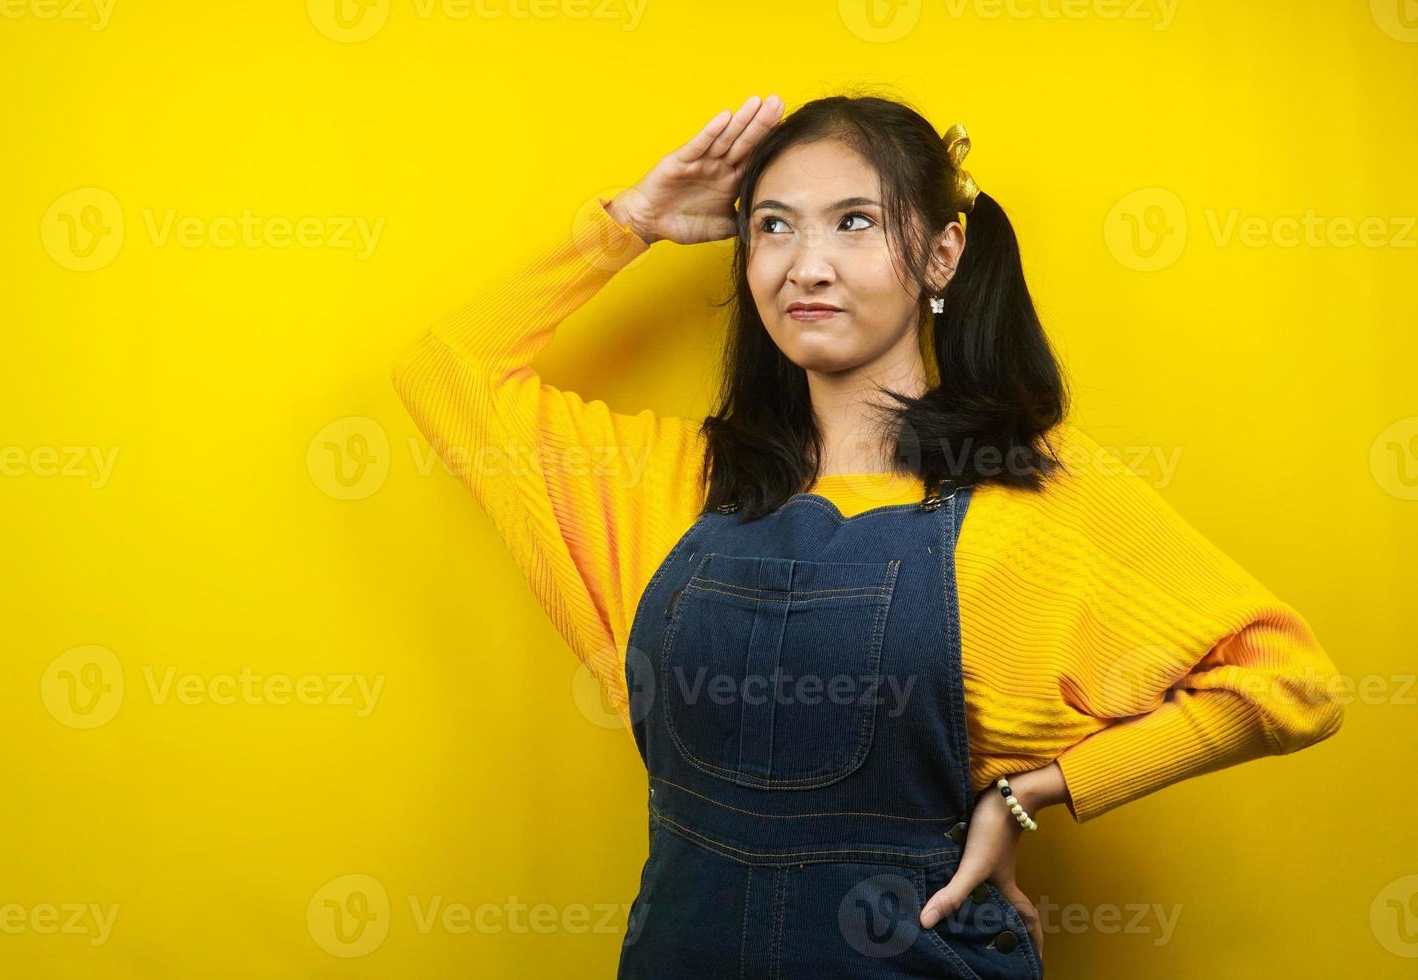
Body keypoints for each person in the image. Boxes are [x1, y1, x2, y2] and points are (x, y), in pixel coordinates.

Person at [391, 92, 1345, 978]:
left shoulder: (1032, 493)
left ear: (941, 255)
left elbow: (1288, 680)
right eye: (774, 227)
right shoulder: (669, 485)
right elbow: (447, 373)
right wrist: (632, 224)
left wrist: (1029, 797)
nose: (807, 265)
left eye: (855, 222)